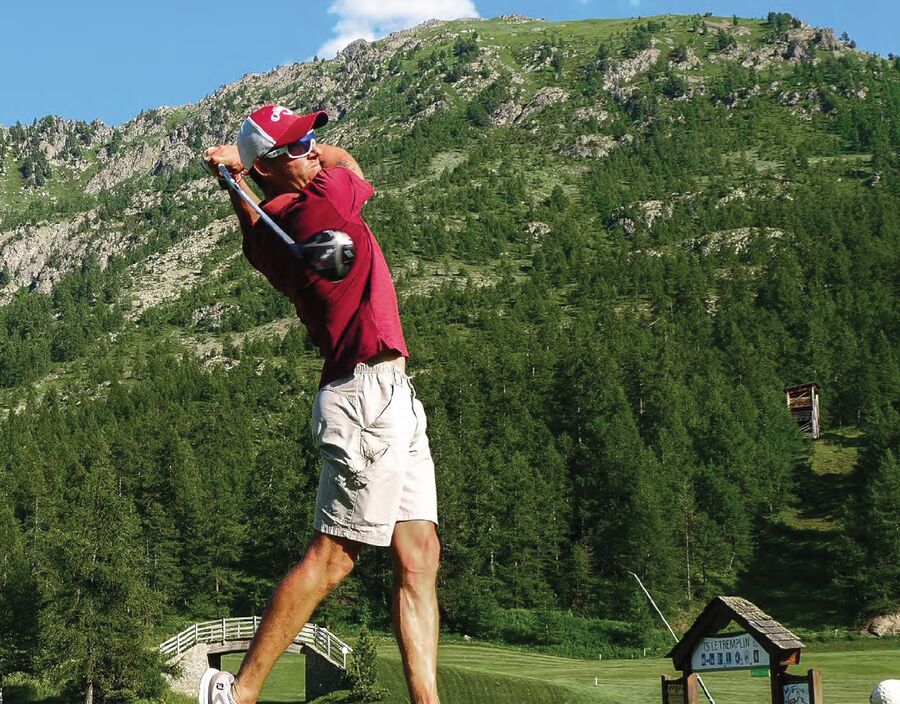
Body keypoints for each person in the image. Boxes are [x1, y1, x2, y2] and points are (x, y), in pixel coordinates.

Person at [199, 105, 441, 704]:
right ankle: (240, 693)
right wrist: (244, 163)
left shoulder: (267, 234)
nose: (313, 148)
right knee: (333, 559)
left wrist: (239, 172)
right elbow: (347, 161)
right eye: (297, 144)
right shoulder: (320, 205)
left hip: (390, 394)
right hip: (365, 399)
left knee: (419, 558)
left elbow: (254, 219)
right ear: (271, 165)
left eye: (311, 137)